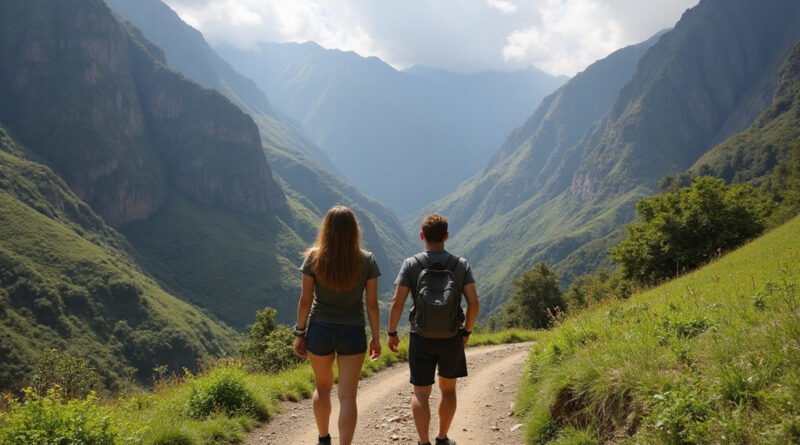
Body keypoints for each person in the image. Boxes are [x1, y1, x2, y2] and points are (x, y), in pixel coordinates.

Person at [387, 214, 480, 445]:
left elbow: (397, 302)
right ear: (446, 236)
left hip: (420, 335)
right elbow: (474, 303)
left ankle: (423, 442)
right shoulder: (461, 264)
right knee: (448, 390)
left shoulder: (411, 264)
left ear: (422, 236)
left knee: (420, 393)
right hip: (451, 336)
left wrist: (391, 333)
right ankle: (441, 438)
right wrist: (466, 332)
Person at [293, 206, 382, 445]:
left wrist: (299, 334)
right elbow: (372, 304)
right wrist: (376, 337)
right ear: (354, 230)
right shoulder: (367, 260)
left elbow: (305, 301)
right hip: (352, 331)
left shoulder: (313, 257)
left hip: (320, 330)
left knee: (322, 388)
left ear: (326, 229)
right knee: (348, 396)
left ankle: (323, 439)